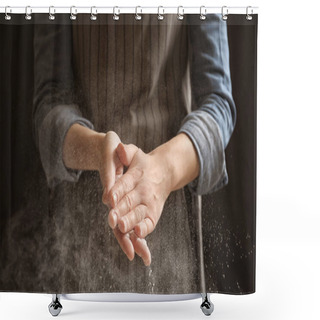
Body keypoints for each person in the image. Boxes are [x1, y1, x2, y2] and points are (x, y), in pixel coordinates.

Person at [33, 13, 236, 293]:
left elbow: (219, 106)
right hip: (81, 229)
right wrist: (97, 150)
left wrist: (160, 173)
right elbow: (48, 106)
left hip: (167, 213)